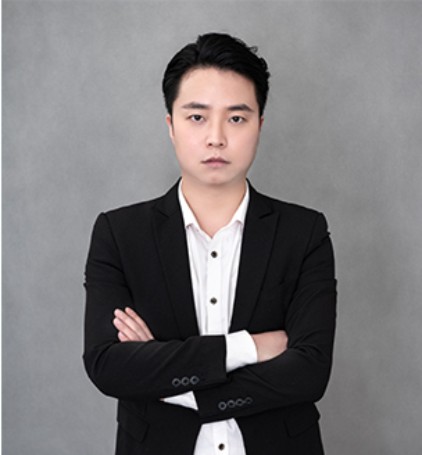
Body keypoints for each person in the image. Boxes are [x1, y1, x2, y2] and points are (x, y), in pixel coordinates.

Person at [83, 32, 337, 455]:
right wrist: (249, 347)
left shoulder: (304, 232)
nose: (216, 137)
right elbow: (108, 365)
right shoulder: (119, 233)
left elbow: (309, 372)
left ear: (259, 125)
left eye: (236, 118)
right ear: (171, 125)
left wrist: (161, 369)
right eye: (197, 117)